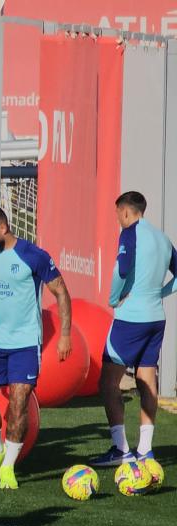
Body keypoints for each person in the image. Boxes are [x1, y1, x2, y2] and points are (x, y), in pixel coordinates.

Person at [0, 206, 72, 489]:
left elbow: (61, 291)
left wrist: (64, 335)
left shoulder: (32, 255)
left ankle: (9, 465)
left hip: (24, 344)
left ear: (3, 228)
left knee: (19, 402)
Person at [90, 191, 177, 466]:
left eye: (118, 214)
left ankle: (121, 449)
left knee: (108, 382)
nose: (118, 220)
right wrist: (160, 293)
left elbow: (122, 268)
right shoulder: (163, 239)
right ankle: (146, 451)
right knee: (146, 380)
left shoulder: (130, 233)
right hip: (155, 318)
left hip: (131, 319)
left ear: (126, 212)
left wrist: (114, 297)